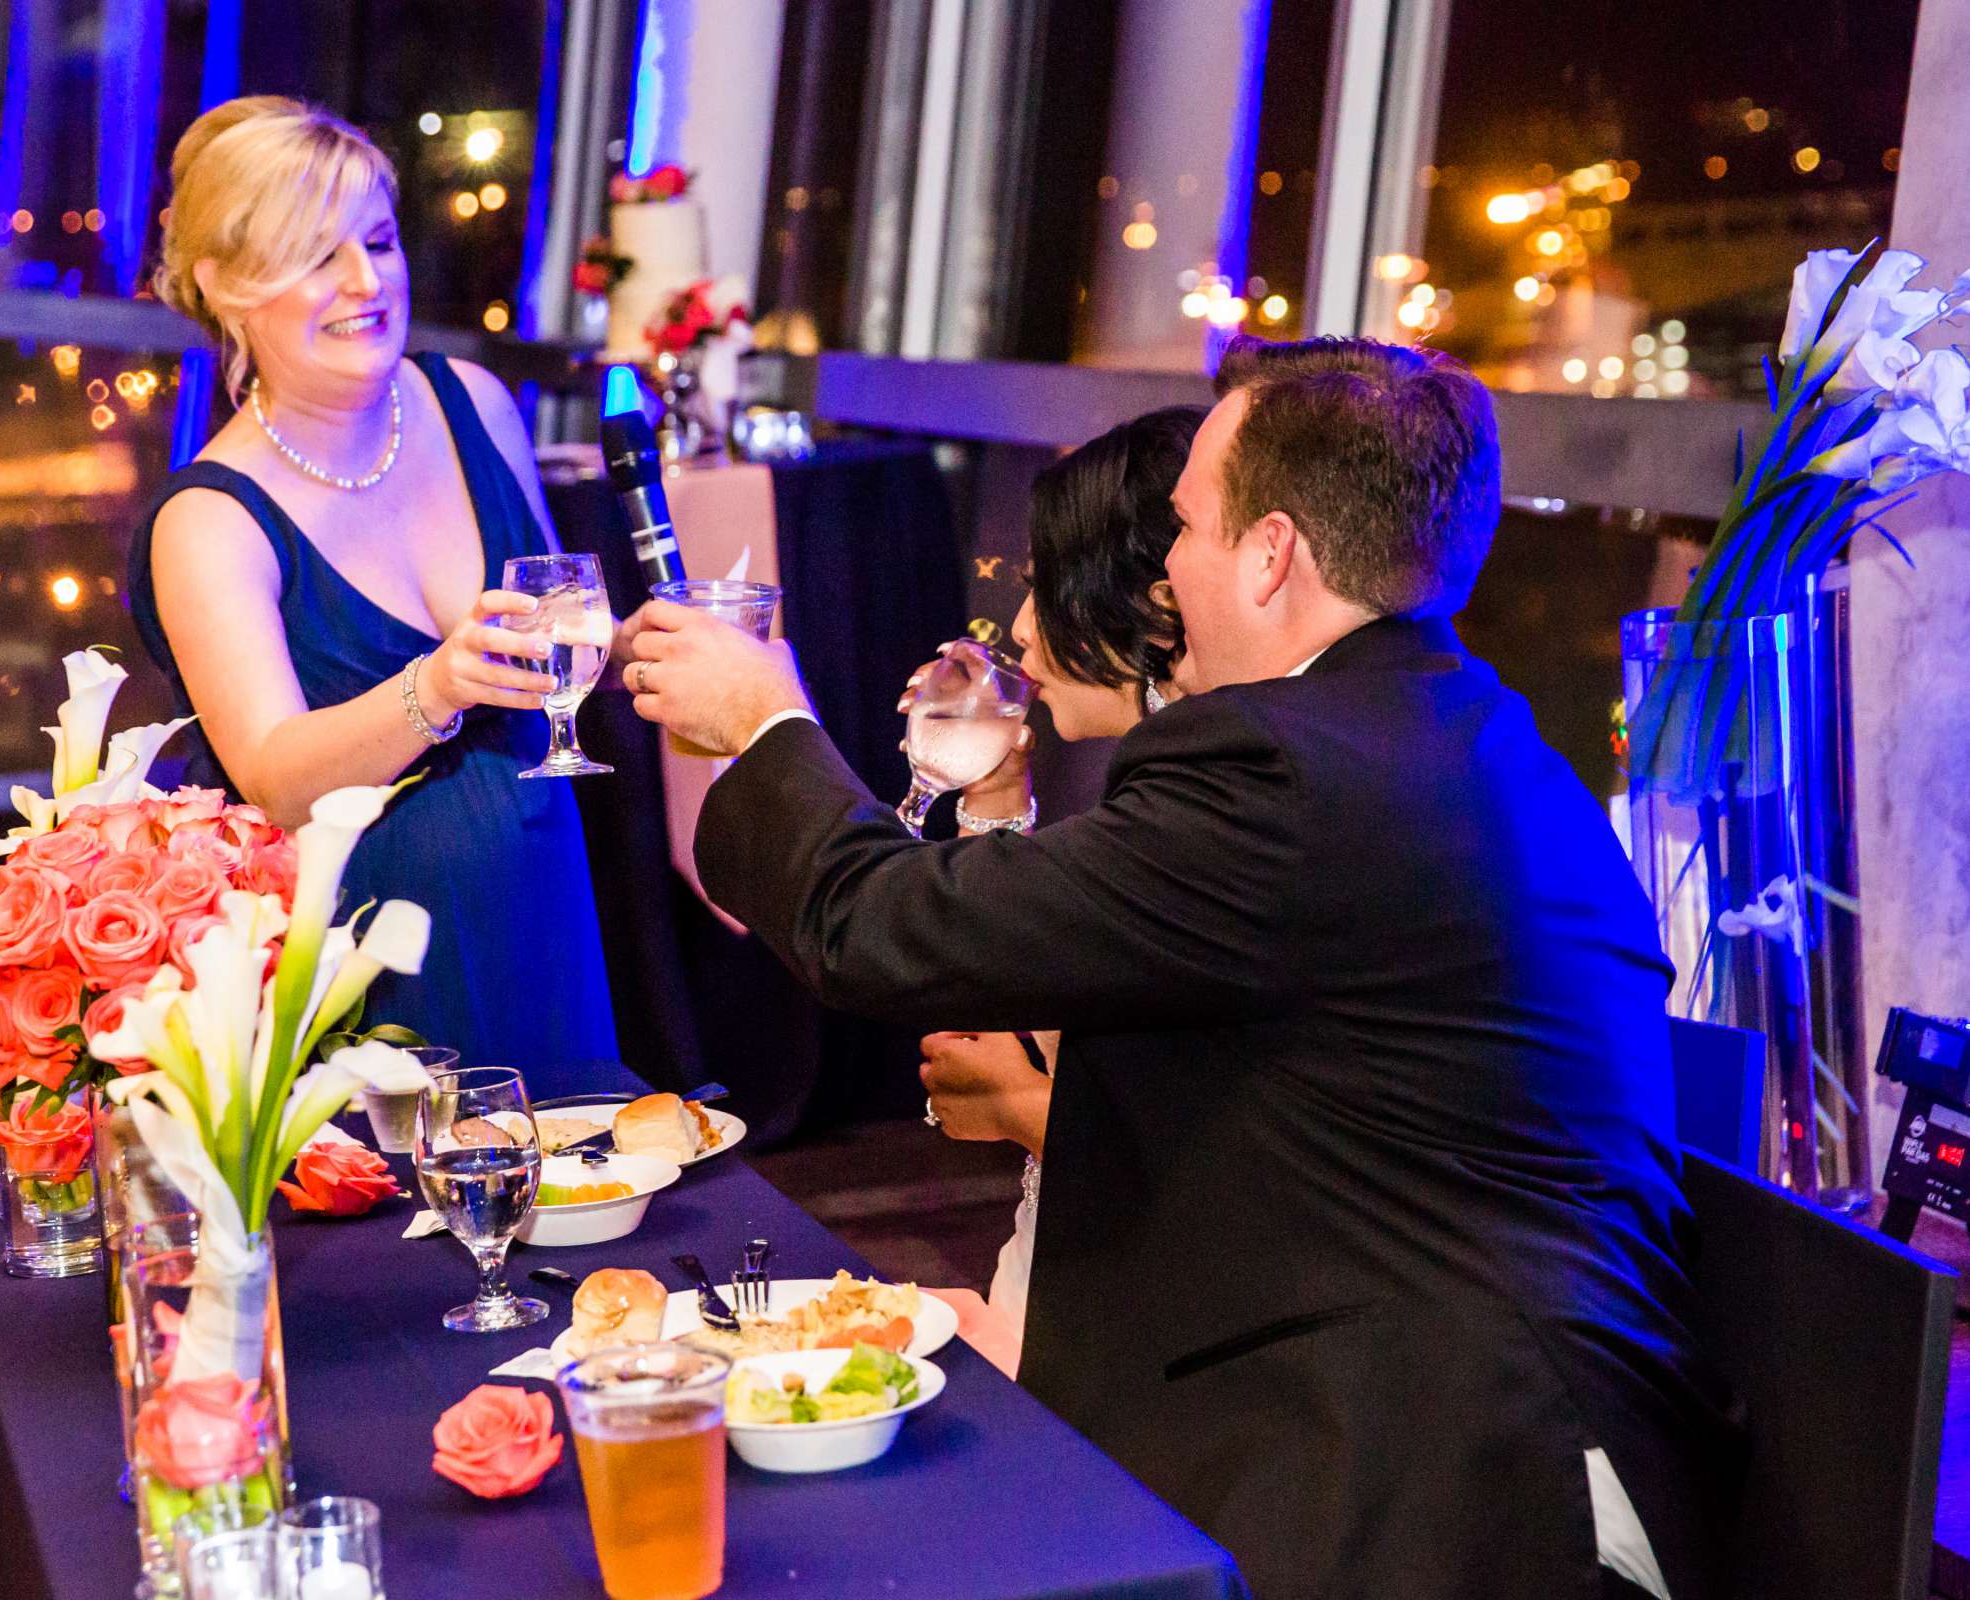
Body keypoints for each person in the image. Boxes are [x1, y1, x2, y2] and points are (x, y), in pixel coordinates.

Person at [623, 335, 1738, 1599]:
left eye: (1188, 526)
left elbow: (875, 926)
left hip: (1462, 1490)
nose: (1162, 566)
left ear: (1270, 556)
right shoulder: (1438, 727)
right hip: (1408, 1392)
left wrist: (764, 721)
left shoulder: (1292, 773)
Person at [130, 97, 616, 1065]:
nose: (368, 280)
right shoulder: (210, 522)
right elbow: (272, 781)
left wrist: (640, 645)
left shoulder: (473, 402)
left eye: (381, 241)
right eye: (319, 255)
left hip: (547, 924)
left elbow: (557, 628)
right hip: (375, 984)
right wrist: (436, 687)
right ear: (226, 283)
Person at [911, 405, 1202, 1359]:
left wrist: (1017, 1112)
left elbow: (1209, 1170)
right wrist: (996, 801)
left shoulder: (1217, 818)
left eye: (1048, 589)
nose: (1025, 629)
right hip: (1069, 1278)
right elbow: (1047, 985)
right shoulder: (1169, 788)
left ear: (1156, 602)